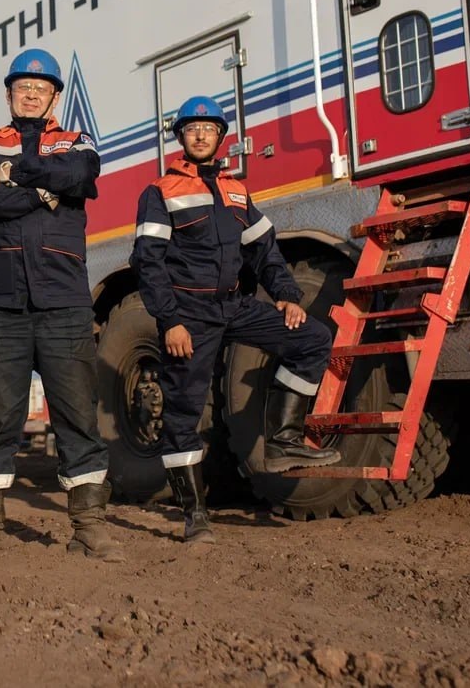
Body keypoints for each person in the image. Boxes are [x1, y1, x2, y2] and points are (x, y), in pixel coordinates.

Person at [129, 95, 340, 543]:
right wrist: (170, 321)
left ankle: (283, 441)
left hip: (234, 306)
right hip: (189, 315)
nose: (201, 135)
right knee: (183, 412)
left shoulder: (237, 191)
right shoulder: (161, 192)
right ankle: (195, 515)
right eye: (192, 129)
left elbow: (265, 250)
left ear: (221, 137)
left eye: (209, 129)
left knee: (312, 339)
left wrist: (287, 296)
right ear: (181, 137)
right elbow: (147, 263)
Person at [0, 48, 121, 563]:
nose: (31, 94)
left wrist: (17, 176)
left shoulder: (76, 141)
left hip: (64, 303)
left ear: (54, 97)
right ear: (9, 94)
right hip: (1, 305)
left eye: (40, 88)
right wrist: (40, 192)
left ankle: (90, 527)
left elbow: (82, 176)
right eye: (22, 87)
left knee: (77, 415)